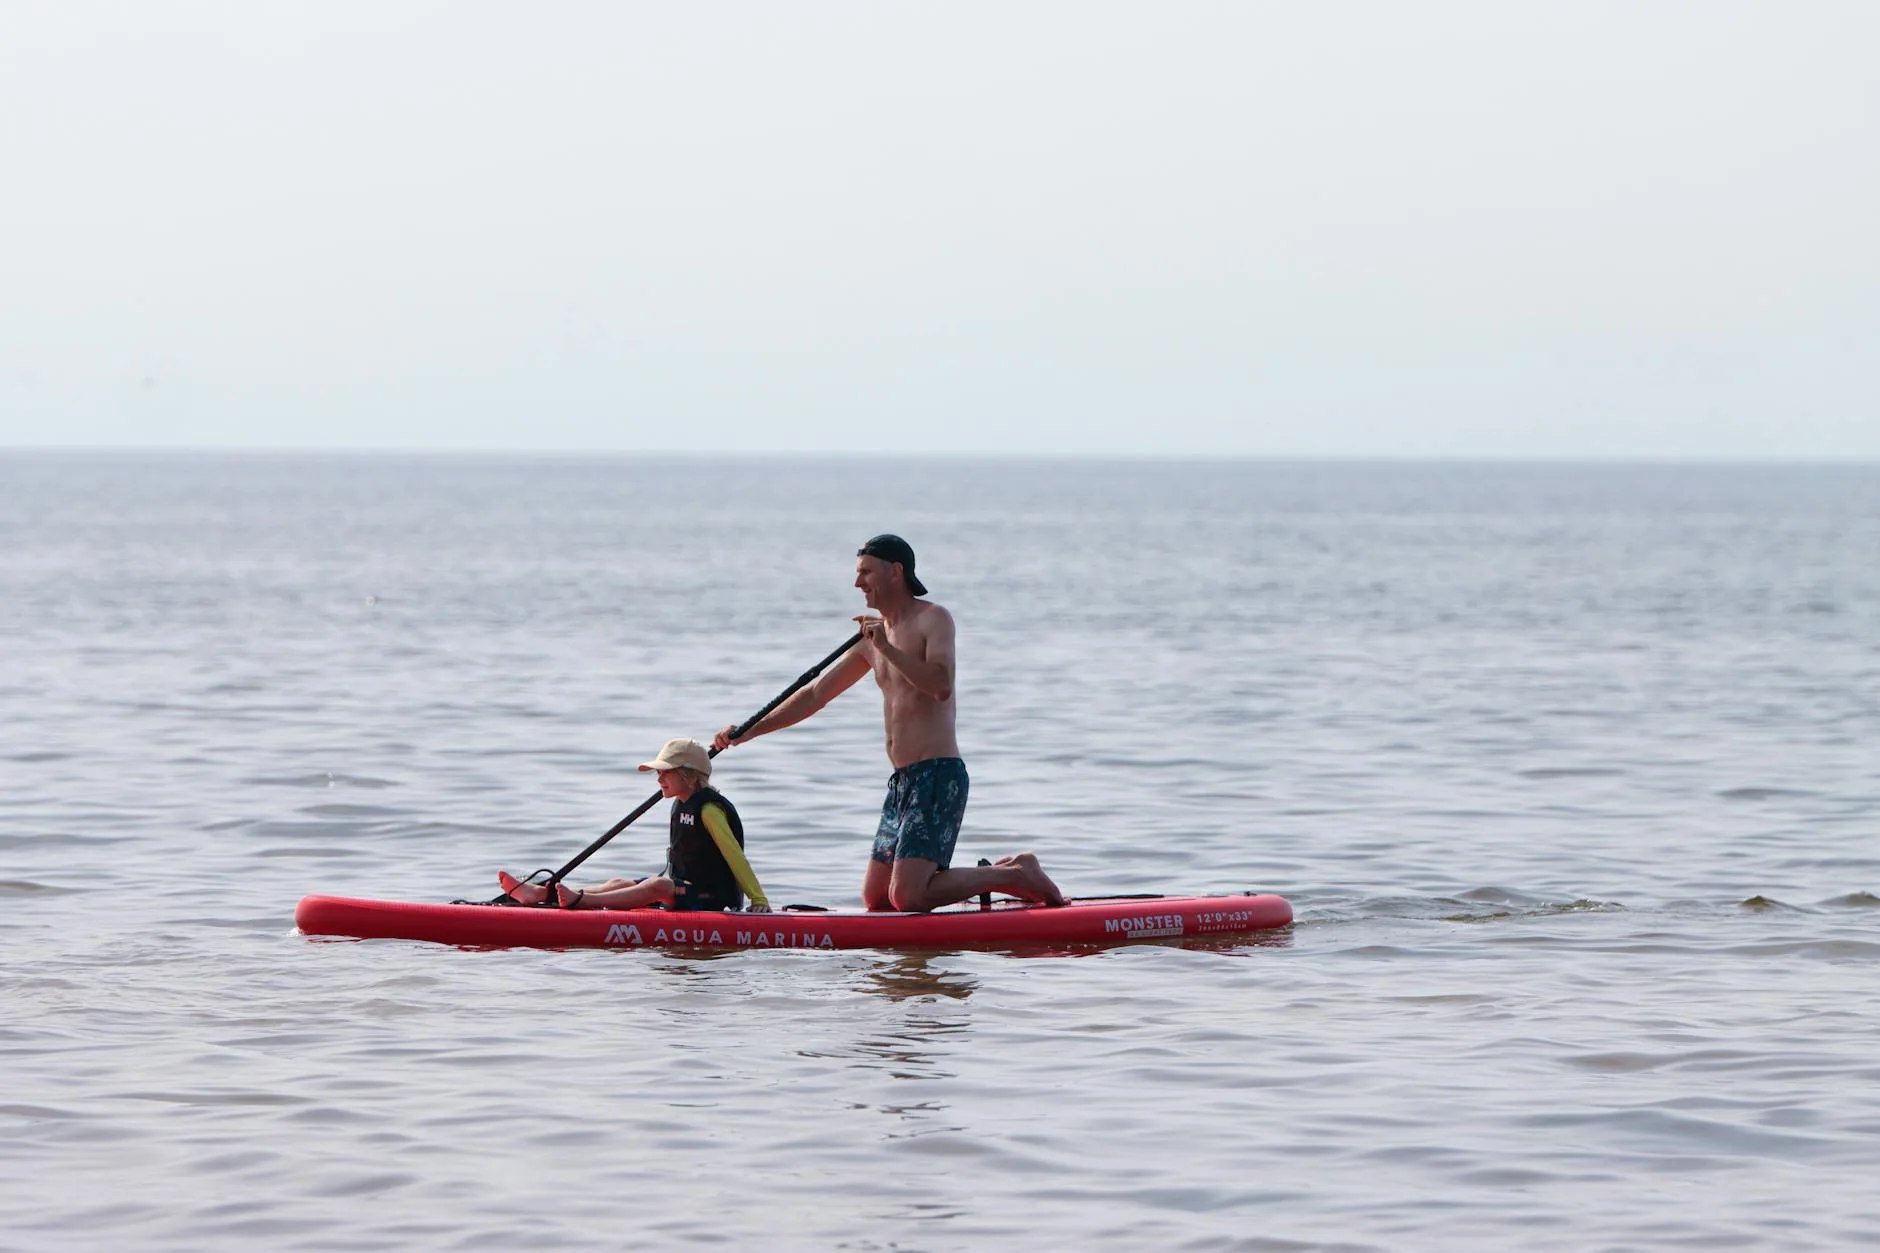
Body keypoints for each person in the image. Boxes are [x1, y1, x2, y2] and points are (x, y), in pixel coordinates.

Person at [713, 534, 1064, 913]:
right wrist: (750, 730)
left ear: (896, 571)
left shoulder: (933, 619)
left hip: (938, 776)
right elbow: (815, 695)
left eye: (866, 572)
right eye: (857, 573)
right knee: (877, 899)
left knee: (908, 897)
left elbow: (941, 686)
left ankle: (1013, 874)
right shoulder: (870, 638)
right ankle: (987, 884)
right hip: (902, 783)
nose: (857, 583)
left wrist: (887, 648)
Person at [499, 738, 771, 913]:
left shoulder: (709, 809)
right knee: (619, 882)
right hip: (686, 889)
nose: (658, 778)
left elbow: (735, 856)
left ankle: (579, 902)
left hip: (713, 899)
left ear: (688, 775)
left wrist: (758, 900)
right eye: (658, 772)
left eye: (665, 772)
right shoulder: (682, 802)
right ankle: (541, 893)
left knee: (658, 886)